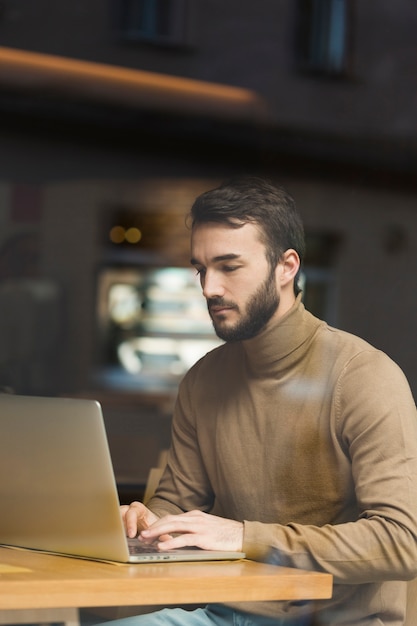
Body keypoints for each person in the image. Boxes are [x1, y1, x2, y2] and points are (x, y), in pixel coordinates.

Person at [115, 177, 417, 625]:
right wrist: (145, 522)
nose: (209, 288)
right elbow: (177, 504)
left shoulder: (365, 376)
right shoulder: (203, 380)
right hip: (218, 612)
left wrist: (243, 536)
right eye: (200, 269)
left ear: (286, 266)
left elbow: (402, 543)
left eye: (229, 266)